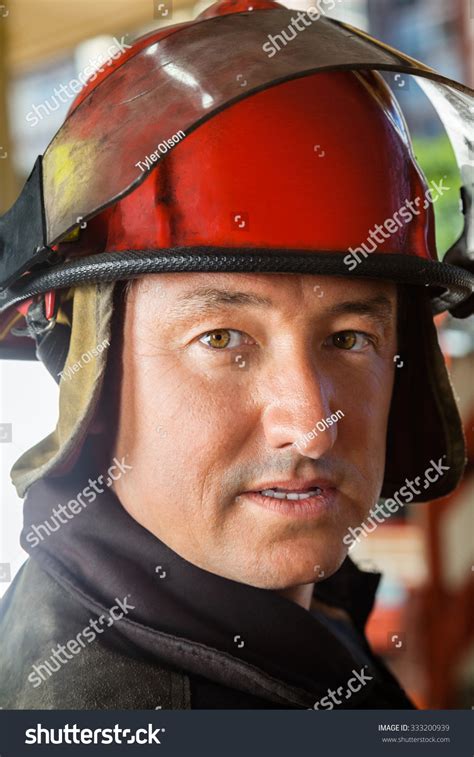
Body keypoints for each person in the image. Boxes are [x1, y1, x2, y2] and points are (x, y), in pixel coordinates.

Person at [0, 0, 472, 710]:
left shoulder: (278, 615)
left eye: (349, 337)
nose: (312, 424)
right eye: (222, 339)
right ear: (89, 372)